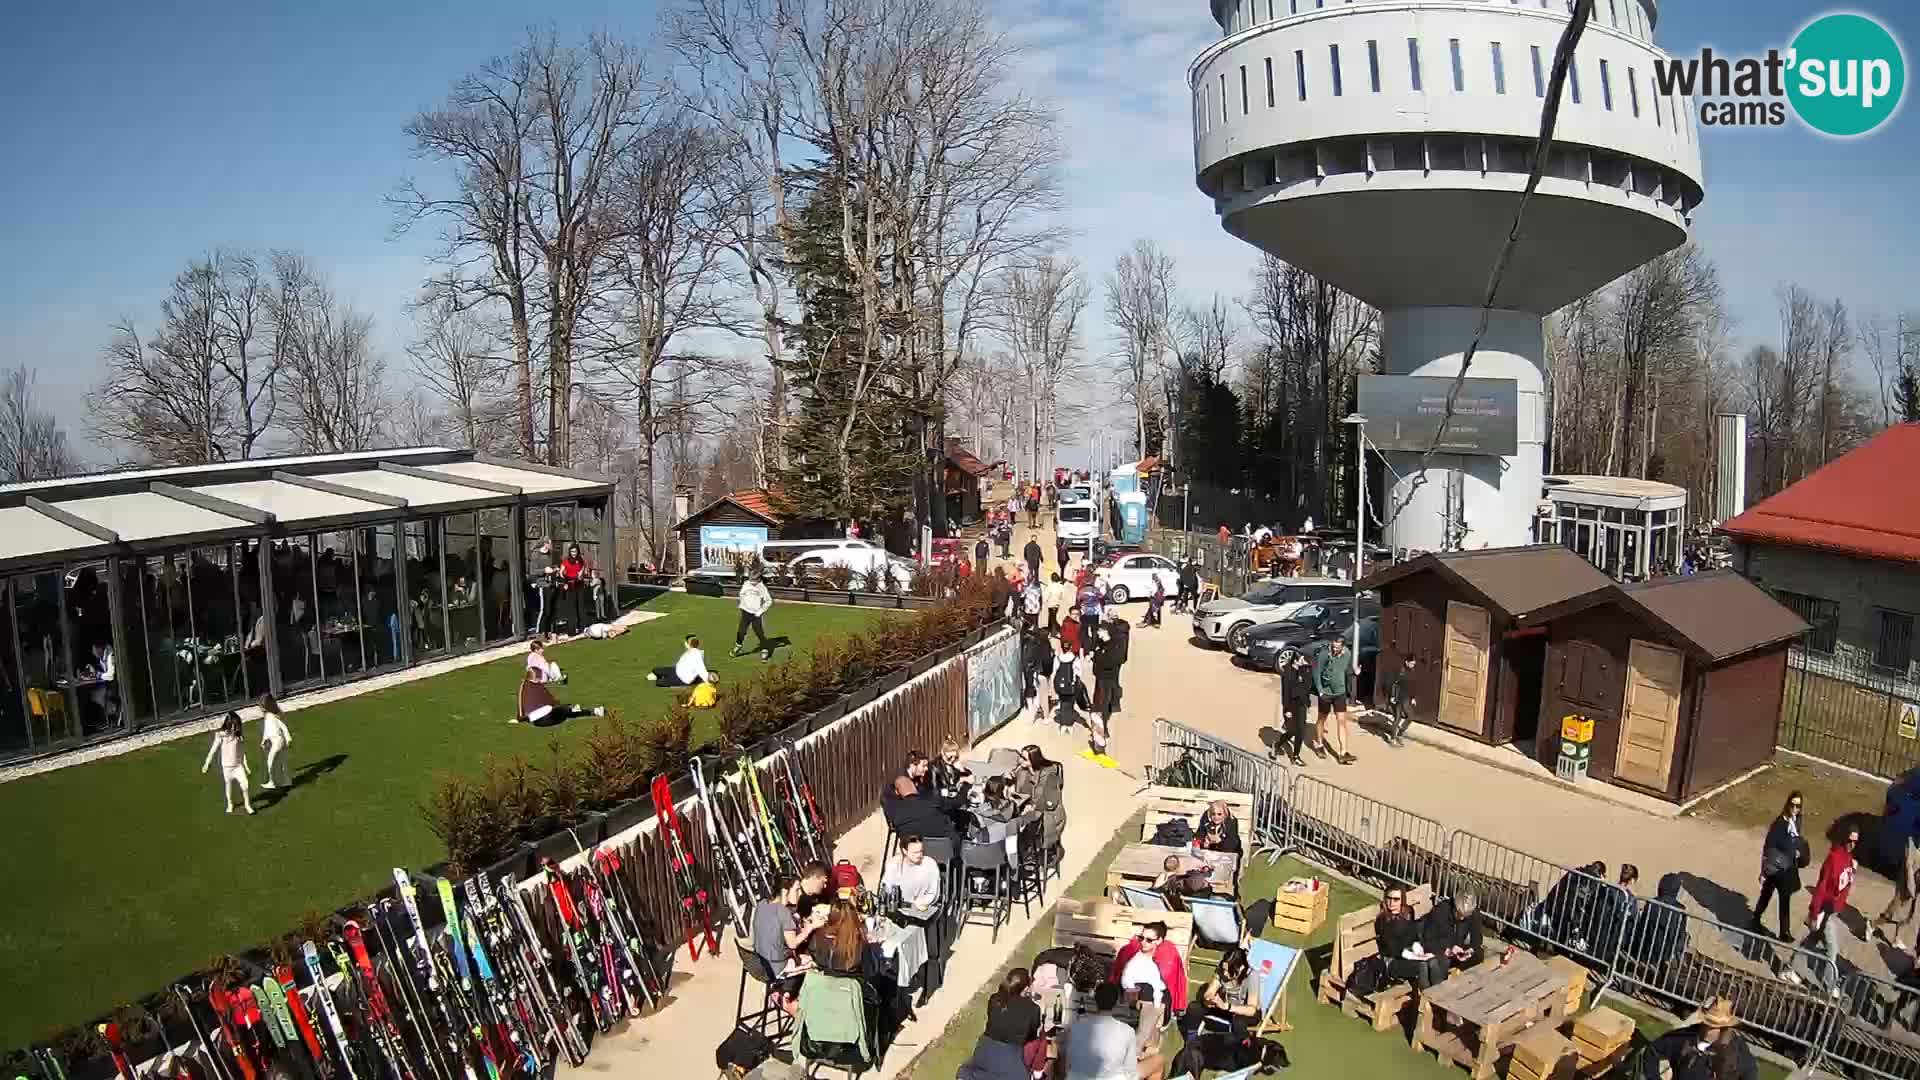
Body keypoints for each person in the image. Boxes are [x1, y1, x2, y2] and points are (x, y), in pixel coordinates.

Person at [1787, 826, 1858, 996]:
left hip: (1833, 911)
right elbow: (1822, 887)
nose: (1852, 845)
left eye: (1855, 842)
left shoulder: (1849, 860)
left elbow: (1844, 886)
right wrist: (1814, 913)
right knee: (1832, 949)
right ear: (1843, 839)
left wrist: (1853, 871)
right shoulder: (1833, 859)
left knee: (1811, 941)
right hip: (1824, 910)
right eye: (1850, 841)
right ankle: (1829, 985)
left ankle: (1790, 969)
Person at [753, 869, 831, 1014]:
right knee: (818, 964)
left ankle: (785, 993)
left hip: (760, 962)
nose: (798, 894)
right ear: (785, 891)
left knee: (804, 957)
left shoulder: (762, 904)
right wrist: (811, 927)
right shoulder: (783, 912)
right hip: (777, 968)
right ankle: (796, 1002)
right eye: (796, 890)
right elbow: (793, 943)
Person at [1063, 981, 1167, 1080]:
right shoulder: (1126, 1031)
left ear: (1095, 1000)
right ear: (1116, 1002)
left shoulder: (1076, 1027)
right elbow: (1130, 1071)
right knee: (1159, 1060)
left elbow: (1066, 1063)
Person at [1636, 996, 1758, 1080]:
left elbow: (1750, 1072)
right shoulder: (1684, 1037)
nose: (1706, 1030)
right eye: (1706, 1024)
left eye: (1712, 1027)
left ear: (1723, 1028)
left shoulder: (1737, 1051)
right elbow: (1653, 1051)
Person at [1753, 791, 1808, 943]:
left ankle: (1784, 932)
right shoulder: (1779, 824)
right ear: (1787, 804)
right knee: (1766, 894)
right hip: (1776, 868)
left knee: (1784, 898)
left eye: (1798, 806)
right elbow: (1768, 847)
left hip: (1788, 867)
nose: (1794, 808)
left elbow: (1796, 839)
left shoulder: (1797, 820)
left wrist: (1797, 852)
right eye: (1792, 805)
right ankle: (1756, 919)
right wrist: (1763, 871)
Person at [1181, 946, 1265, 1040]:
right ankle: (1191, 1041)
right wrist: (1209, 1000)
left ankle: (1242, 1049)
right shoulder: (1222, 971)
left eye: (1229, 971)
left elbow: (1251, 1010)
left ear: (1241, 968)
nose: (1225, 973)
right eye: (1223, 969)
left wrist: (1227, 1007)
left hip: (1245, 1013)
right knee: (1194, 1007)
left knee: (1238, 1022)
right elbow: (1209, 992)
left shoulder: (1252, 976)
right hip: (1225, 1006)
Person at [1110, 921, 1188, 1013]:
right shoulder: (1133, 957)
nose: (1143, 942)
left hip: (1159, 1002)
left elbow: (1165, 986)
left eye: (1149, 940)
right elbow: (1125, 980)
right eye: (1141, 938)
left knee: (1149, 989)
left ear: (1159, 941)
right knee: (1145, 988)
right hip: (1138, 999)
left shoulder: (1166, 957)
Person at [1419, 889, 1484, 984]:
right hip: (1441, 949)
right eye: (1459, 914)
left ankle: (1464, 980)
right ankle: (1439, 988)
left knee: (1478, 954)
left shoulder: (1473, 914)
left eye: (1465, 916)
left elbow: (1477, 940)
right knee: (1438, 962)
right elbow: (1428, 941)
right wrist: (1448, 949)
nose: (1461, 918)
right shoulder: (1440, 912)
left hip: (1457, 950)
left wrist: (1470, 950)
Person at [1377, 886, 1436, 988]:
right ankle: (1428, 998)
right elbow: (1393, 949)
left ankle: (1435, 996)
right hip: (1392, 962)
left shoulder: (1407, 914)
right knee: (1422, 966)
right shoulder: (1382, 920)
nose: (1391, 902)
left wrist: (1419, 951)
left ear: (1402, 900)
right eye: (1389, 898)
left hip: (1408, 956)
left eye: (1396, 899)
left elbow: (1413, 937)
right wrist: (1417, 957)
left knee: (1433, 961)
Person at [1312, 636, 1358, 764]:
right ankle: (1320, 744)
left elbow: (1346, 670)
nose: (1335, 649)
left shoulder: (1347, 654)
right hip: (1326, 693)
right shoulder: (1324, 655)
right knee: (1322, 719)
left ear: (1343, 646)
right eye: (1333, 646)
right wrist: (1320, 690)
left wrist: (1354, 672)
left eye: (1338, 647)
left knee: (1342, 721)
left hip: (1340, 692)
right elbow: (1317, 672)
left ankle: (1343, 752)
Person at [1875, 825, 1920, 954]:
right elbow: (1908, 866)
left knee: (1909, 914)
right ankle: (1872, 925)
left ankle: (1897, 939)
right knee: (1894, 912)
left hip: (1917, 883)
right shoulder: (1910, 842)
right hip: (1906, 882)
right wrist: (1911, 885)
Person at [1089, 614, 1129, 755]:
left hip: (1106, 678)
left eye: (1101, 631)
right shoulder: (1104, 644)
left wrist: (1098, 656)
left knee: (1101, 704)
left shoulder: (1113, 646)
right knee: (1101, 703)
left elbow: (1110, 661)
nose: (1098, 634)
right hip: (1101, 677)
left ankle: (1101, 732)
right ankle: (1101, 730)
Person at [200, 711, 253, 815]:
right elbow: (213, 749)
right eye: (233, 726)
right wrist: (207, 763)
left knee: (245, 785)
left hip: (238, 766)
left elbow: (242, 752)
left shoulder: (239, 737)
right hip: (227, 767)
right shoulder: (221, 735)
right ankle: (230, 804)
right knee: (228, 785)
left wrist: (246, 766)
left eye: (236, 726)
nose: (234, 729)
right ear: (228, 725)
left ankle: (247, 805)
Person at [511, 670, 606, 727]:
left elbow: (521, 705)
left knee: (565, 711)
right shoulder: (537, 687)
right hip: (548, 719)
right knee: (565, 710)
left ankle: (582, 710)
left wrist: (519, 719)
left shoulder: (523, 687)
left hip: (537, 722)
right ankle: (593, 711)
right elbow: (551, 702)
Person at [808, 898, 868, 977]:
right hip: (849, 980)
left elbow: (813, 955)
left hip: (822, 978)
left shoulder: (818, 936)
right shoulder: (859, 939)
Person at [1276, 650, 1313, 766]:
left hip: (1301, 704)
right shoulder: (1287, 671)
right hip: (1291, 705)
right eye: (1303, 660)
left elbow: (1307, 687)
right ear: (1296, 660)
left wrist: (1307, 703)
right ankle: (1278, 744)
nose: (1305, 662)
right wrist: (1286, 709)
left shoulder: (1306, 669)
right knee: (1292, 730)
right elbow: (1286, 691)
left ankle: (1296, 756)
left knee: (1301, 731)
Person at [732, 571, 775, 659]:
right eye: (751, 579)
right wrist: (743, 604)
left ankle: (765, 649)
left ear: (759, 579)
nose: (752, 582)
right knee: (741, 631)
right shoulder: (746, 584)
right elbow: (741, 594)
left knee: (759, 632)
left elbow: (769, 601)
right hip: (745, 612)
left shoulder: (762, 587)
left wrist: (760, 611)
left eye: (754, 580)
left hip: (756, 614)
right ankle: (738, 646)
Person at [648, 634, 716, 688]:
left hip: (682, 679)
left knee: (659, 682)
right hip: (676, 670)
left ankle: (661, 678)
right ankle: (660, 676)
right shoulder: (692, 651)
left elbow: (701, 670)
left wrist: (708, 682)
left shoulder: (697, 655)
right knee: (655, 670)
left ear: (686, 644)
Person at [258, 693, 292, 792]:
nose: (260, 708)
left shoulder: (272, 716)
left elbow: (283, 727)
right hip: (279, 742)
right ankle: (287, 780)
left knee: (270, 762)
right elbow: (267, 730)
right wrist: (264, 740)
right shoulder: (269, 716)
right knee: (283, 762)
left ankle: (272, 782)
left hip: (278, 742)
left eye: (262, 706)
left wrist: (288, 737)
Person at [1383, 655, 1418, 748]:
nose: (1412, 665)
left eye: (1414, 664)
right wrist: (1393, 696)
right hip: (1399, 698)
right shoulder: (1401, 672)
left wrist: (1413, 697)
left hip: (1407, 698)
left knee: (1409, 717)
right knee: (1399, 718)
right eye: (1411, 663)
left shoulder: (1412, 671)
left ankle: (1399, 734)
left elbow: (1413, 685)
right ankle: (1393, 738)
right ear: (1406, 662)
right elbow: (1393, 684)